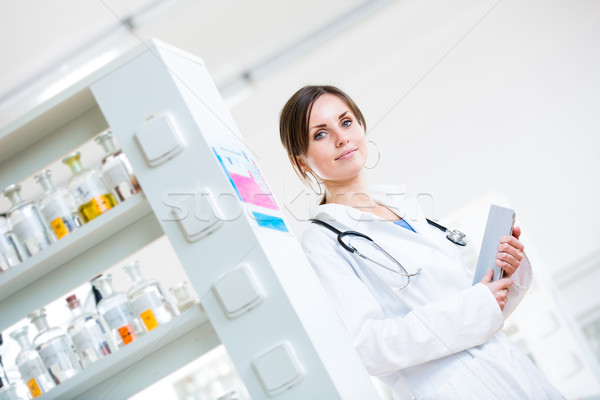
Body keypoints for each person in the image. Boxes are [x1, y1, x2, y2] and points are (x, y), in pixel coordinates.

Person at [278, 85, 563, 399]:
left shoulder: (407, 211)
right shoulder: (323, 240)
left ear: (361, 127)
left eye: (346, 123)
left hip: (514, 373)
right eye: (320, 134)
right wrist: (475, 305)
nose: (341, 137)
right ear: (301, 162)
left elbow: (477, 313)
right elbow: (368, 346)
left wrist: (507, 273)